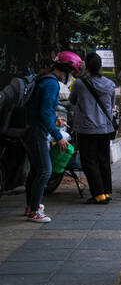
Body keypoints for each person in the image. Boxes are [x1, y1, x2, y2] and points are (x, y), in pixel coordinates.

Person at [23, 51, 83, 222]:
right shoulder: (52, 84)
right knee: (45, 170)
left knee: (36, 170)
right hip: (36, 131)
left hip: (31, 128)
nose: (70, 76)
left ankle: (31, 206)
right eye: (71, 72)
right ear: (65, 69)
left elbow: (42, 110)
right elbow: (44, 112)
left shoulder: (44, 79)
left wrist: (55, 120)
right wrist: (58, 136)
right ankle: (34, 211)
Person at [70, 52, 116, 205]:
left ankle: (98, 194)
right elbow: (111, 103)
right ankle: (106, 192)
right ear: (100, 66)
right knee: (103, 160)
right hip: (105, 128)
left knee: (90, 161)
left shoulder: (79, 83)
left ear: (86, 66)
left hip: (86, 129)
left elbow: (72, 100)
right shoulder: (110, 84)